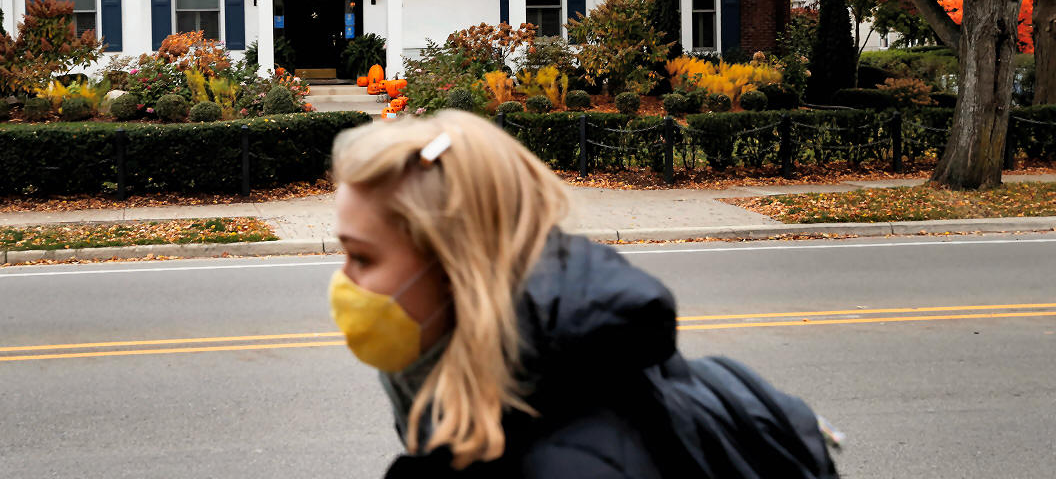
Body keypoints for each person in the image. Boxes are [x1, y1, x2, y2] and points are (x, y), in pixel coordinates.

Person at [328, 110, 839, 478]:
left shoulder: (573, 459)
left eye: (363, 258)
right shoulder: (478, 396)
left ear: (458, 267)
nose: (343, 281)